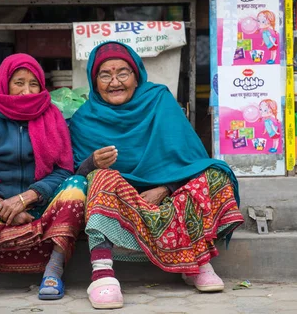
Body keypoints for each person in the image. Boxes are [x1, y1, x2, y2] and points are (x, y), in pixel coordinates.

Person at [69, 42, 244, 309]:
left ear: (136, 75)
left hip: (167, 194)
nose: (115, 82)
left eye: (123, 73)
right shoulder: (84, 119)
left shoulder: (158, 100)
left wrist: (165, 188)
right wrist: (91, 162)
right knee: (99, 178)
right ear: (94, 81)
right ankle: (102, 273)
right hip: (121, 201)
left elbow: (191, 159)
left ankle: (196, 261)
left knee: (215, 176)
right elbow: (72, 174)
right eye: (105, 75)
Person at [0, 54, 86, 302]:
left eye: (33, 84)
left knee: (77, 186)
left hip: (39, 204)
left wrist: (26, 198)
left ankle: (54, 269)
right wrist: (1, 204)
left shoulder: (51, 115)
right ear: (5, 82)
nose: (26, 91)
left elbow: (64, 169)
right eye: (19, 82)